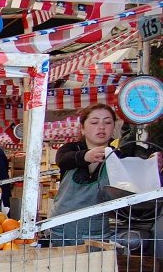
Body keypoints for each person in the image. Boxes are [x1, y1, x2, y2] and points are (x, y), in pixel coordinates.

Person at [46, 104, 122, 247]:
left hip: (97, 233)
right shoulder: (71, 150)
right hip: (61, 229)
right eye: (94, 122)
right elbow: (62, 160)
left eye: (107, 122)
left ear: (113, 127)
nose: (101, 127)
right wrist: (85, 156)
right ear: (82, 128)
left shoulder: (118, 157)